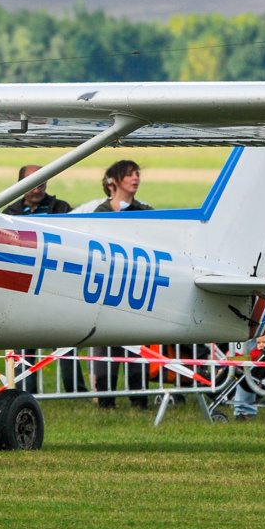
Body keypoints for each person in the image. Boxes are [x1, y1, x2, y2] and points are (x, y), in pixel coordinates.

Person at [4, 166, 86, 394]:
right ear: (20, 185)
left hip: (56, 284)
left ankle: (75, 391)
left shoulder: (62, 209)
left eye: (42, 183)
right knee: (25, 341)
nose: (38, 188)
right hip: (24, 286)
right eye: (33, 183)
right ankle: (25, 390)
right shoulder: (9, 212)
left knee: (65, 340)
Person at [92, 160, 152, 408]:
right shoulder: (101, 213)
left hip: (138, 285)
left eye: (137, 173)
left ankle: (139, 398)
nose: (135, 178)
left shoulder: (146, 211)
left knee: (138, 342)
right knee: (107, 343)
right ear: (113, 181)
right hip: (109, 286)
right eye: (129, 175)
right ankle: (106, 399)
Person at [3, 165, 72, 215]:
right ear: (20, 185)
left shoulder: (63, 208)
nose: (37, 191)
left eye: (41, 185)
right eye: (31, 186)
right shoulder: (10, 213)